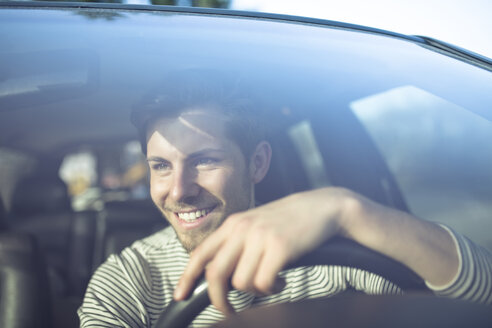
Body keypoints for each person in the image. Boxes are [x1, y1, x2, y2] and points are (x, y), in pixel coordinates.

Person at [78, 71, 492, 327]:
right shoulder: (126, 280)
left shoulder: (339, 256)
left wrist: (349, 209)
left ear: (257, 163)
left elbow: (481, 303)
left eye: (203, 161)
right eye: (161, 166)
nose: (179, 189)